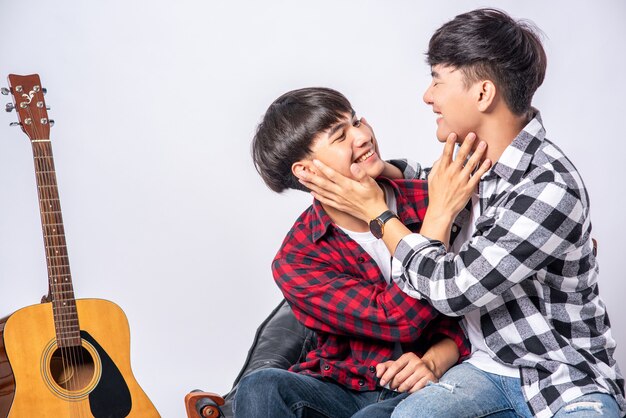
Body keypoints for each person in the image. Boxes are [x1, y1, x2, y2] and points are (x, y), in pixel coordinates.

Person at [297, 8, 625, 418]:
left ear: (483, 94)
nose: (427, 96)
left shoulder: (549, 187)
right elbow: (428, 178)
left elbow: (453, 290)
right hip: (484, 371)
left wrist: (379, 215)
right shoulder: (475, 159)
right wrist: (381, 169)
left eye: (437, 79)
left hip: (563, 381)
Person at [233, 87, 470, 418]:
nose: (362, 136)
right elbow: (397, 319)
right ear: (307, 171)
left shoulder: (431, 198)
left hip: (434, 382)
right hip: (345, 387)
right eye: (340, 136)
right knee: (260, 387)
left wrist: (439, 357)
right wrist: (434, 225)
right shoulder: (298, 259)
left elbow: (478, 302)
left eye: (356, 121)